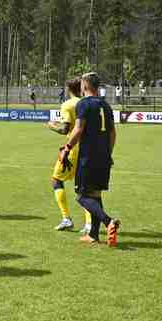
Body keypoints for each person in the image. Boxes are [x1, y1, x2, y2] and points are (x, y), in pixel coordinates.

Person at [59, 73, 121, 247]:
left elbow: (78, 129)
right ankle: (94, 235)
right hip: (104, 156)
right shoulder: (106, 105)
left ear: (85, 85)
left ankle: (108, 221)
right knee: (95, 194)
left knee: (81, 196)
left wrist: (67, 148)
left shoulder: (83, 104)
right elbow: (113, 133)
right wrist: (108, 153)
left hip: (88, 156)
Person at [46, 78, 91, 233]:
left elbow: (66, 130)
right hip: (87, 148)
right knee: (85, 187)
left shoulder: (68, 104)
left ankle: (67, 219)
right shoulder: (87, 102)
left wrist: (52, 126)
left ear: (68, 89)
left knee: (56, 180)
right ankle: (89, 224)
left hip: (72, 148)